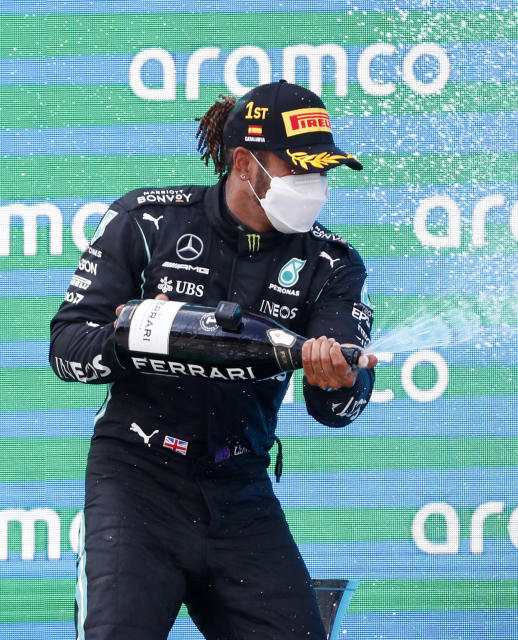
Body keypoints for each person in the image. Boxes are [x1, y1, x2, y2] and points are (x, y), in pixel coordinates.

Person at [49, 80, 377, 639]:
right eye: (300, 168)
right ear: (245, 164)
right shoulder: (147, 222)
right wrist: (138, 334)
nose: (315, 186)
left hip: (240, 492)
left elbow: (338, 406)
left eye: (323, 171)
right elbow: (66, 347)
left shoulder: (332, 262)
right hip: (136, 483)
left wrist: (335, 380)